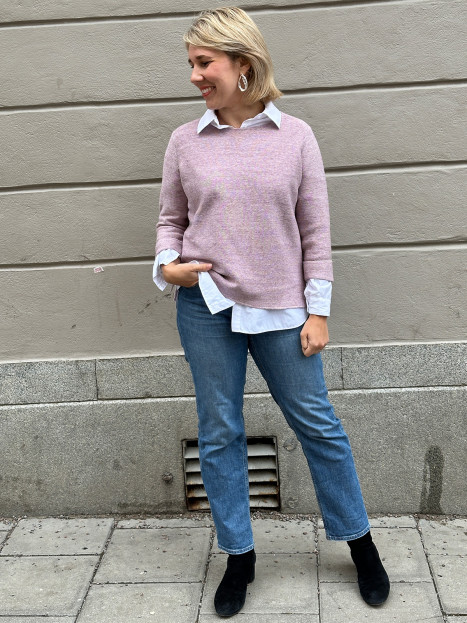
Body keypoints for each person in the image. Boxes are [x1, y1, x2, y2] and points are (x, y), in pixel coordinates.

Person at [154, 6, 390, 617]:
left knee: (318, 424)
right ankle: (239, 555)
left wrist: (319, 311)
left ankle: (360, 543)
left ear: (243, 63)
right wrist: (168, 266)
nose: (194, 75)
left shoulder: (296, 136)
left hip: (283, 308)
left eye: (204, 63)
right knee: (220, 431)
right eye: (191, 64)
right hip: (205, 304)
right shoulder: (185, 141)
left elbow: (316, 232)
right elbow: (171, 221)